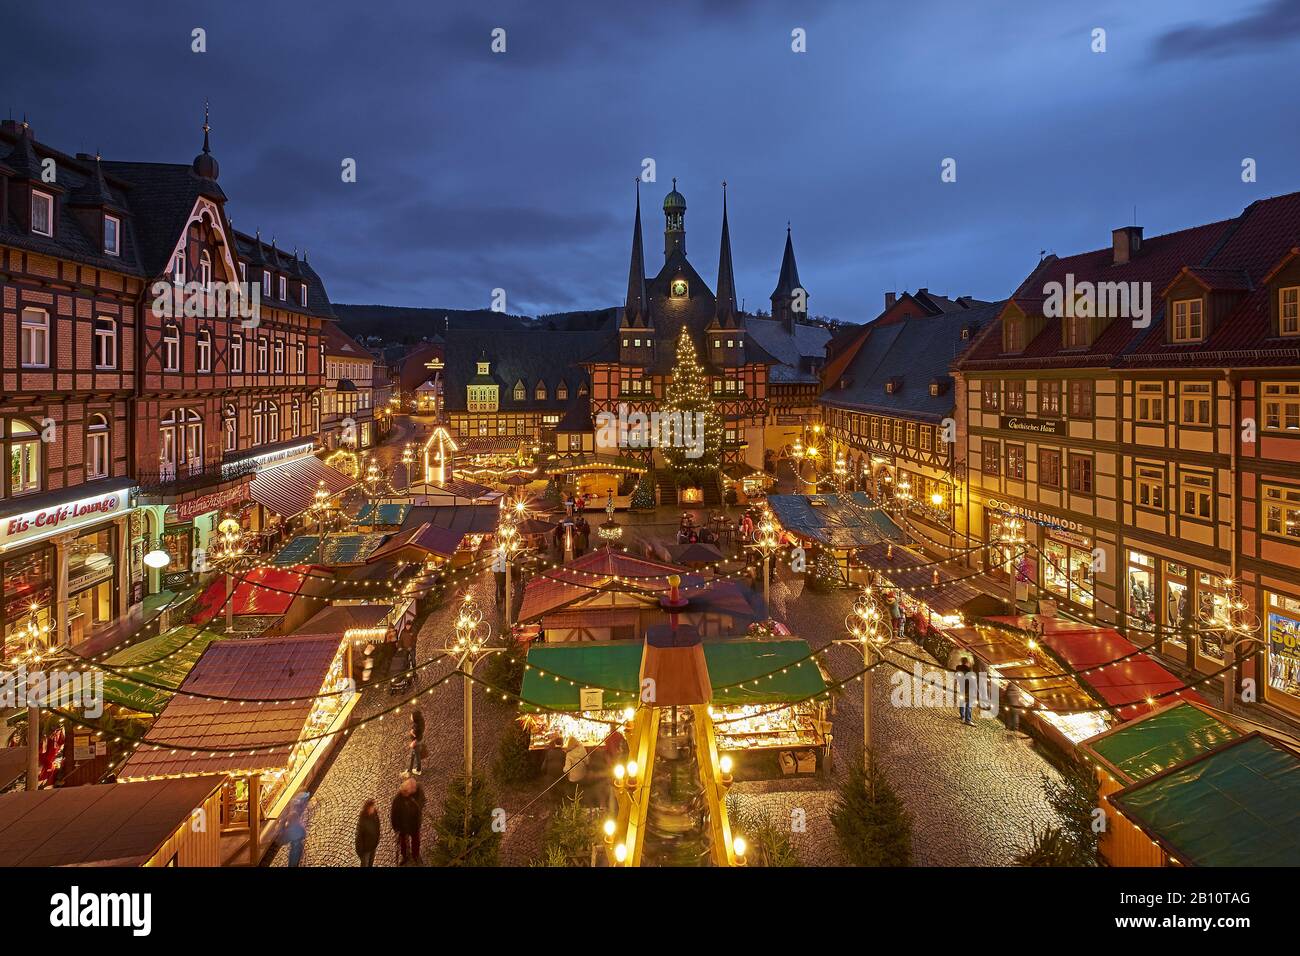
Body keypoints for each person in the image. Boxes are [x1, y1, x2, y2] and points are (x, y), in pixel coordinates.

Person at [390, 776, 423, 865]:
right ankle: (404, 856)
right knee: (403, 843)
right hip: (403, 826)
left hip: (414, 824)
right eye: (405, 792)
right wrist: (396, 827)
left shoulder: (418, 792)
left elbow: (421, 802)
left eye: (407, 792)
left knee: (416, 841)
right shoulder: (398, 799)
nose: (405, 793)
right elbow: (394, 814)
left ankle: (415, 855)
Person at [282, 791, 312, 867]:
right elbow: (298, 826)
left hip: (295, 837)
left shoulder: (294, 808)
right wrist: (303, 832)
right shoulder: (294, 814)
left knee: (295, 853)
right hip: (296, 838)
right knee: (295, 854)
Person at [355, 799, 381, 867]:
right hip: (366, 850)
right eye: (372, 807)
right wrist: (360, 852)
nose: (373, 808)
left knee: (371, 863)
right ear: (367, 808)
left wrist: (377, 840)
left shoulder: (375, 815)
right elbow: (359, 837)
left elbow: (377, 827)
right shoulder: (362, 821)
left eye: (373, 807)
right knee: (365, 865)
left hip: (373, 846)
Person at [954, 656, 975, 725]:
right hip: (968, 688)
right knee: (969, 703)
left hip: (961, 686)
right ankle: (967, 720)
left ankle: (962, 715)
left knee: (962, 701)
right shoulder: (969, 669)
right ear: (966, 662)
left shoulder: (958, 667)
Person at [407, 709, 425, 775]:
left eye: (411, 716)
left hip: (416, 742)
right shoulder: (420, 722)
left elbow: (416, 735)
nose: (410, 717)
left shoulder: (417, 727)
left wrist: (412, 733)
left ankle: (418, 770)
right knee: (413, 755)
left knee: (416, 756)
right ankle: (410, 769)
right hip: (416, 742)